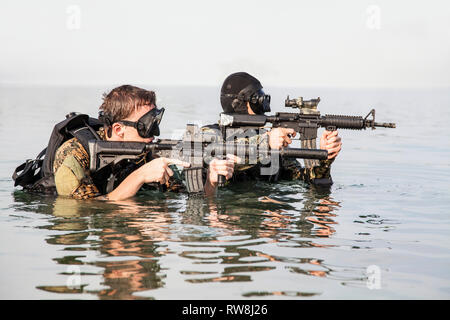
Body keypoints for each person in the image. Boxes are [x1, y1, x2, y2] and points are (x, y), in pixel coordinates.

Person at [52, 85, 237, 200]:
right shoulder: (74, 155)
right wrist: (140, 176)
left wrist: (210, 184)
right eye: (145, 126)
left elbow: (184, 200)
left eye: (155, 123)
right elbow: (83, 210)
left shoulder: (147, 153)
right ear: (118, 130)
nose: (154, 133)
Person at [202, 72, 342, 186]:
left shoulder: (273, 146)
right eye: (258, 101)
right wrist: (266, 142)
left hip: (263, 216)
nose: (265, 108)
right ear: (241, 105)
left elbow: (309, 182)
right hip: (221, 215)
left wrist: (325, 160)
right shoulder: (210, 134)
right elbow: (214, 153)